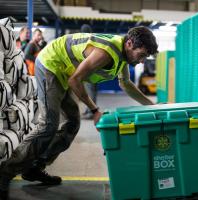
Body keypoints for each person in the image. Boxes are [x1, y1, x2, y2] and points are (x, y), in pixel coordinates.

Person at [0, 26, 158, 200]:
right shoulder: (106, 52)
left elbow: (126, 84)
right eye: (142, 55)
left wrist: (152, 106)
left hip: (64, 71)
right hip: (51, 65)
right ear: (129, 44)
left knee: (73, 123)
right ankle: (5, 173)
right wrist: (95, 110)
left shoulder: (122, 54)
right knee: (48, 125)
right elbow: (75, 80)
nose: (142, 61)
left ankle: (34, 167)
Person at [79, 24, 98, 120]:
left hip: (91, 71)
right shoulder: (91, 40)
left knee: (91, 92)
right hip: (89, 71)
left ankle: (91, 112)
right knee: (88, 92)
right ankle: (88, 110)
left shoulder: (90, 41)